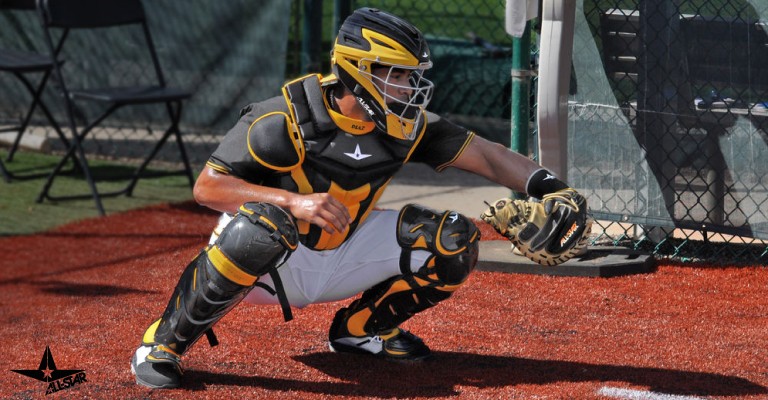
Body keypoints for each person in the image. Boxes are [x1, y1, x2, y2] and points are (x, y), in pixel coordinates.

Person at [130, 7, 583, 389]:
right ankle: (163, 343)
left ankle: (361, 331)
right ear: (361, 72)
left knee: (455, 238)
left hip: (344, 253)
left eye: (412, 76)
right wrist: (294, 203)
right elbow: (207, 188)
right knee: (263, 224)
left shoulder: (408, 126)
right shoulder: (283, 120)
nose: (411, 87)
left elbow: (488, 156)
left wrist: (551, 187)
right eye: (400, 76)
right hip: (269, 265)